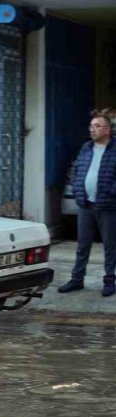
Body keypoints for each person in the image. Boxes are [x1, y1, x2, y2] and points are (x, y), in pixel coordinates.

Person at [58, 109, 116, 297]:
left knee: (110, 245)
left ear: (108, 130)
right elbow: (76, 169)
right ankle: (77, 279)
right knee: (82, 245)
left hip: (108, 205)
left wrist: (111, 192)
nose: (92, 130)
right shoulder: (86, 147)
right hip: (86, 205)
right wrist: (77, 189)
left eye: (97, 126)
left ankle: (109, 281)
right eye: (91, 126)